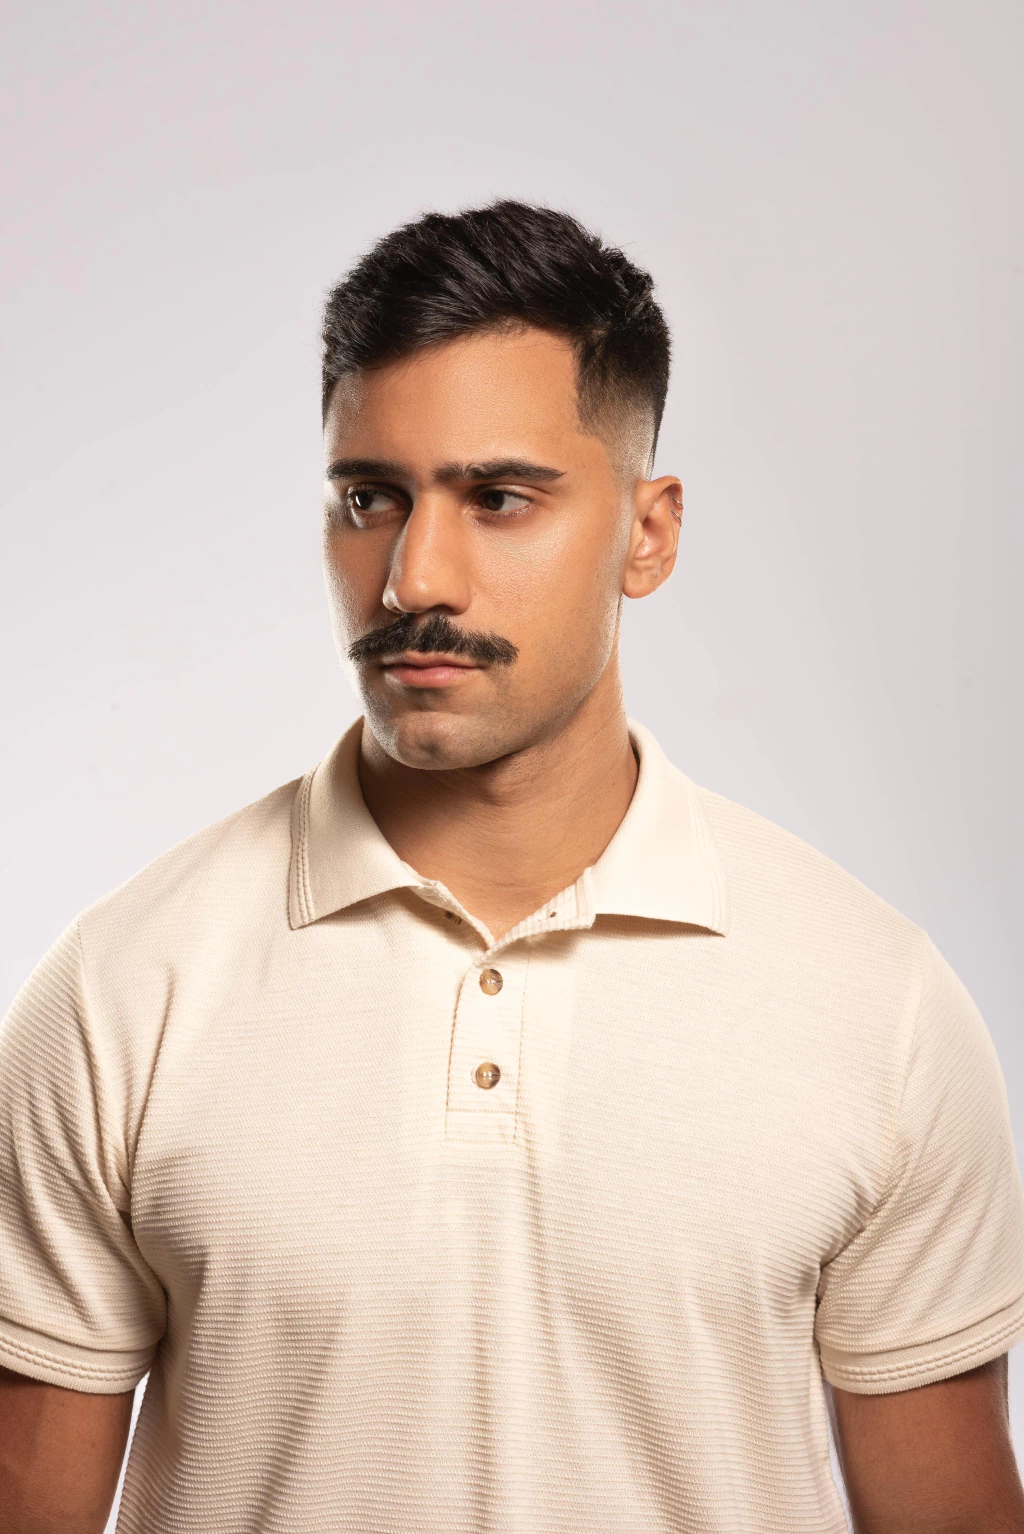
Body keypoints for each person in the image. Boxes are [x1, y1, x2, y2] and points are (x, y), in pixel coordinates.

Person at [1, 201, 1022, 1534]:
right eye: (370, 499)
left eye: (498, 499)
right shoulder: (124, 987)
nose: (412, 578)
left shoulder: (877, 1005)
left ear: (648, 534)